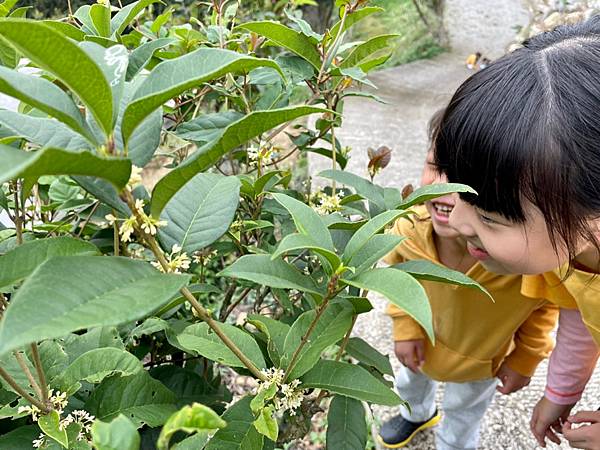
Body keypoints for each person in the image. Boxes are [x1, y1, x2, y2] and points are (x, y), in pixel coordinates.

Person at [432, 16, 600, 449]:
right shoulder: (571, 250)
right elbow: (581, 317)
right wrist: (562, 393)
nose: (458, 221)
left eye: (491, 217)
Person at [377, 111, 558, 450]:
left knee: (465, 410)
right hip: (420, 344)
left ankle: (454, 445)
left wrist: (524, 360)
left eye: (464, 179)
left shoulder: (520, 256)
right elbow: (397, 279)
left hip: (480, 361)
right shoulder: (409, 229)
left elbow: (544, 306)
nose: (444, 189)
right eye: (435, 166)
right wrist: (404, 327)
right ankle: (417, 414)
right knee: (410, 383)